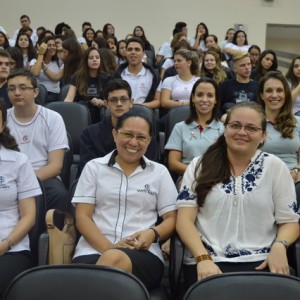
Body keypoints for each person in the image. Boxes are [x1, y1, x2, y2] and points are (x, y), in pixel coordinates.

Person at [176, 101, 299, 290]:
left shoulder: (276, 167)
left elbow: (289, 222)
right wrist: (202, 258)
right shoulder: (199, 165)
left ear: (263, 136)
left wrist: (280, 246)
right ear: (224, 130)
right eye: (235, 125)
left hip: (262, 261)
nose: (242, 132)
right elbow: (184, 221)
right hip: (208, 261)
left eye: (251, 128)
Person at [72, 110, 177, 290]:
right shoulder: (94, 168)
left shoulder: (159, 172)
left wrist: (152, 234)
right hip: (92, 249)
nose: (133, 142)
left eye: (141, 137)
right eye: (128, 134)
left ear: (149, 140)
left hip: (142, 254)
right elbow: (82, 216)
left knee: (109, 263)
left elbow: (172, 218)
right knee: (112, 259)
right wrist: (109, 248)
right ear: (115, 134)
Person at [6, 69, 69, 211]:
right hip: (8, 176)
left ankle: (54, 233)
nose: (16, 92)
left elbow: (56, 165)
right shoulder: (2, 118)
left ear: (35, 92)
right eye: (11, 89)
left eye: (22, 88)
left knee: (59, 195)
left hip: (43, 176)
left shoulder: (53, 118)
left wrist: (25, 181)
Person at [0, 100, 42, 299]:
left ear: (1, 125)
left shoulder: (18, 161)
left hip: (11, 247)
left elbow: (29, 216)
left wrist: (5, 244)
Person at [79, 79, 158, 173]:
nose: (119, 104)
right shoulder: (90, 134)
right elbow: (87, 171)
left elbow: (151, 170)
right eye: (113, 100)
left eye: (123, 99)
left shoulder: (144, 134)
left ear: (131, 102)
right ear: (106, 104)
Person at [165, 78, 224, 178]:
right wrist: (199, 173)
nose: (204, 100)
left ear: (215, 100)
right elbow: (173, 163)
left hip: (215, 179)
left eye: (210, 95)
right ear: (193, 98)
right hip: (188, 178)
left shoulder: (223, 129)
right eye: (200, 95)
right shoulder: (180, 127)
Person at [258, 71, 300, 180]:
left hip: (294, 180)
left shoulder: (297, 122)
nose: (274, 95)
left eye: (279, 90)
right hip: (261, 179)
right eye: (269, 91)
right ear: (262, 95)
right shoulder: (253, 123)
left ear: (285, 94)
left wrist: (297, 170)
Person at [64, 47, 111, 123]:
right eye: (91, 58)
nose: (95, 60)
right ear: (86, 61)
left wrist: (101, 102)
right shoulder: (77, 77)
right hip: (80, 113)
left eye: (97, 57)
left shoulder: (107, 78)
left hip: (100, 113)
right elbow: (69, 98)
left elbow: (110, 101)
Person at [114, 37, 160, 109]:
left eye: (137, 49)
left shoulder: (153, 75)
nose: (133, 52)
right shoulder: (117, 75)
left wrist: (138, 106)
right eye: (130, 49)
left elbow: (157, 101)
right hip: (122, 113)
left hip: (145, 113)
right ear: (125, 53)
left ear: (143, 53)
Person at [219, 51, 258, 118]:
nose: (247, 67)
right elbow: (218, 108)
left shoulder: (258, 86)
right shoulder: (226, 85)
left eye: (249, 64)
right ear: (235, 69)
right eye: (243, 65)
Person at [30, 36, 63, 102]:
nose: (52, 47)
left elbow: (56, 78)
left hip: (54, 95)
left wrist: (44, 67)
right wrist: (41, 54)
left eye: (54, 45)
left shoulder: (58, 61)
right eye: (49, 45)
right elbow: (35, 74)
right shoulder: (34, 61)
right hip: (38, 94)